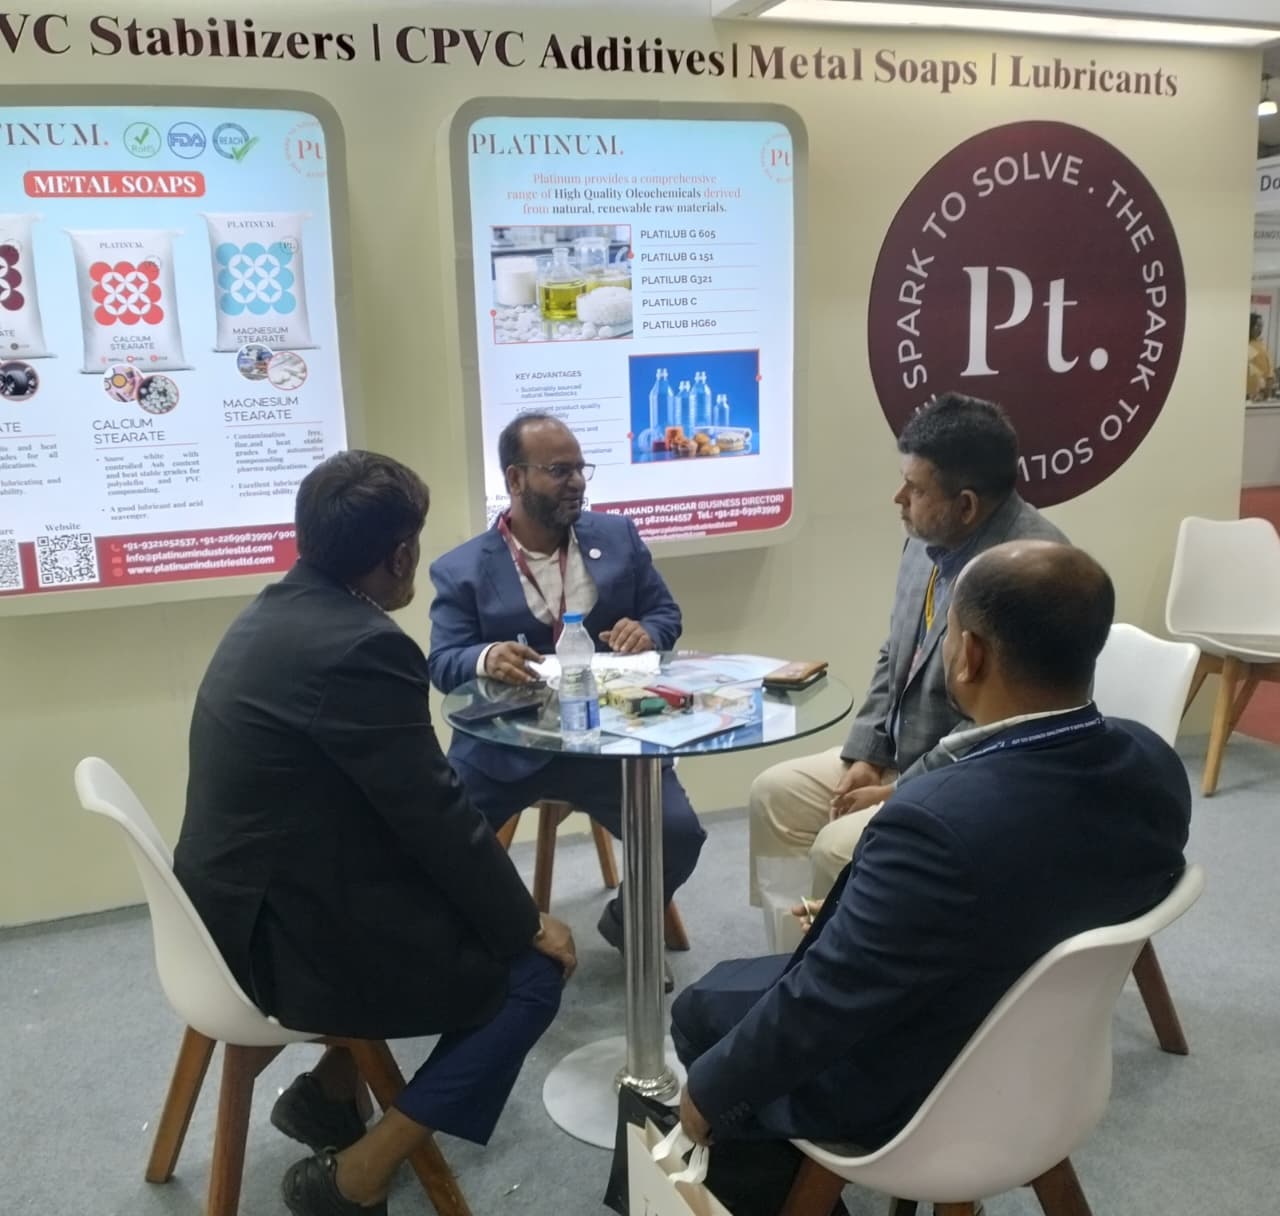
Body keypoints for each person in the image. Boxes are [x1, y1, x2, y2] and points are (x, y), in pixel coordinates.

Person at [670, 542, 1191, 1206]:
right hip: (1056, 1066)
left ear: (969, 654)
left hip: (925, 1084)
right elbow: (1050, 882)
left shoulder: (934, 819)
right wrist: (881, 915)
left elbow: (825, 1002)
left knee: (703, 1009)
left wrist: (709, 1092)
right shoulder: (1153, 763)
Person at [174, 451, 576, 1216]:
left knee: (459, 911)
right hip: (276, 943)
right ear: (399, 555)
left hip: (222, 911)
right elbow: (435, 817)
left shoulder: (271, 612)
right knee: (532, 974)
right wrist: (526, 922)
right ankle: (357, 1175)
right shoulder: (365, 645)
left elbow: (400, 808)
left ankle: (330, 1094)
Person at [749, 392, 1066, 902]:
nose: (898, 497)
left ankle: (842, 953)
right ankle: (794, 946)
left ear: (966, 505)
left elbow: (1000, 723)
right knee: (774, 794)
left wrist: (898, 789)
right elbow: (895, 653)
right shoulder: (927, 539)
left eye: (915, 488)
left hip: (974, 780)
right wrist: (867, 755)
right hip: (901, 755)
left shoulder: (1031, 573)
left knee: (838, 847)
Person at [428, 412, 706, 973]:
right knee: (440, 842)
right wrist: (485, 656)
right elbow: (443, 663)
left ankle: (627, 921)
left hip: (610, 743)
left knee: (679, 834)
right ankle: (505, 937)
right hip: (504, 748)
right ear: (515, 479)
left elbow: (665, 613)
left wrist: (647, 632)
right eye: (559, 471)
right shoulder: (461, 569)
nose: (576, 482)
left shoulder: (618, 538)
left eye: (581, 469)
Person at [1247, 311, 1276, 401]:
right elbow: (1251, 367)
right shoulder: (1247, 344)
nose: (1260, 329)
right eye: (1257, 325)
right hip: (1252, 389)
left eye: (1261, 326)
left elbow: (1268, 365)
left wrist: (1270, 379)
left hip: (1264, 388)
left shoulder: (1261, 344)